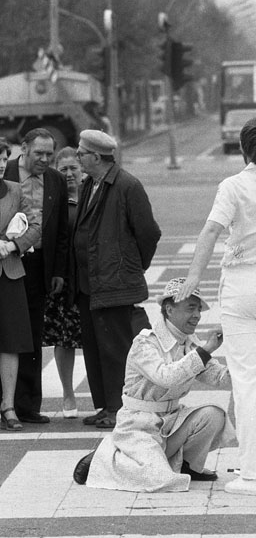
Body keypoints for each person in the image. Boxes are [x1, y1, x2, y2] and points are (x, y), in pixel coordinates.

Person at [177, 72, 256, 496]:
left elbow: (211, 234)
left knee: (246, 379)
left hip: (240, 287)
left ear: (244, 149)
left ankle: (251, 471)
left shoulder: (233, 186)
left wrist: (193, 279)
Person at [73, 279, 234, 491]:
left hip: (171, 421)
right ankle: (106, 455)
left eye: (198, 309)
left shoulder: (189, 343)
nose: (197, 315)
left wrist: (244, 346)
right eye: (190, 308)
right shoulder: (145, 342)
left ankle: (187, 465)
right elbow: (166, 376)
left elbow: (219, 378)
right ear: (169, 309)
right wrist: (206, 350)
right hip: (138, 425)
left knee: (214, 415)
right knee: (158, 480)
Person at [71, 130, 161, 430]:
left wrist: (133, 266)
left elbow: (149, 232)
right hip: (90, 283)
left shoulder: (127, 186)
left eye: (81, 153)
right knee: (96, 349)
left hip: (115, 284)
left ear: (97, 157)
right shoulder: (89, 184)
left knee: (116, 350)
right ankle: (105, 405)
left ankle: (119, 408)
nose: (77, 157)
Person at [3, 127, 68, 424]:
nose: (44, 159)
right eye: (38, 153)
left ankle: (26, 404)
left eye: (49, 154)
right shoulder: (7, 172)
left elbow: (60, 230)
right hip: (7, 262)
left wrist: (58, 270)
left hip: (39, 263)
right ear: (24, 149)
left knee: (30, 335)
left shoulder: (55, 179)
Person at [0, 139, 41, 431]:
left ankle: (9, 406)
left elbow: (37, 226)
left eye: (4, 159)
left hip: (10, 274)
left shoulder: (15, 190)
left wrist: (14, 245)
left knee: (11, 343)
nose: (2, 165)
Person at [42, 148, 83, 418]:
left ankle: (106, 396)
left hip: (90, 280)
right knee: (64, 340)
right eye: (63, 169)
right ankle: (68, 395)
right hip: (62, 281)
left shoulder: (94, 197)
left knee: (96, 341)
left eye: (73, 168)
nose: (69, 174)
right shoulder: (53, 200)